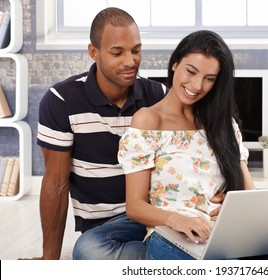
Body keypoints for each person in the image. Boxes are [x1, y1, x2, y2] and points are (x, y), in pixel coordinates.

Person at [117, 30, 268, 260]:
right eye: (191, 72)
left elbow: (249, 196)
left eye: (209, 78)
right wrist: (177, 219)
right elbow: (135, 206)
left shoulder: (224, 126)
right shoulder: (148, 120)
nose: (197, 85)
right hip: (173, 238)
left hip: (228, 238)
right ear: (175, 64)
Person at [30, 7, 168, 260]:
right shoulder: (61, 100)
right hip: (104, 230)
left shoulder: (158, 95)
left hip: (156, 216)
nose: (130, 61)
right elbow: (55, 184)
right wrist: (48, 261)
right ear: (94, 52)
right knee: (88, 251)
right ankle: (176, 259)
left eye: (136, 51)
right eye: (117, 52)